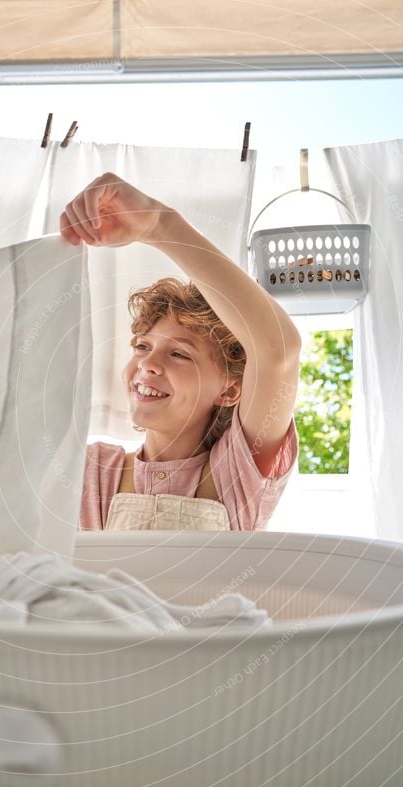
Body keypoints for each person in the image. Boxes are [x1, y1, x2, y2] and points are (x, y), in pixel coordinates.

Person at [60, 172, 301, 532]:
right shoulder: (93, 471)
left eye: (179, 354)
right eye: (143, 346)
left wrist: (160, 224)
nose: (148, 364)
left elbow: (278, 350)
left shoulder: (239, 473)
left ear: (230, 389)